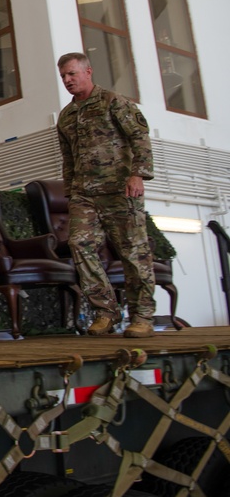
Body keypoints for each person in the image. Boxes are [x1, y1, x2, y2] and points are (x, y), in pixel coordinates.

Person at [56, 52, 156, 338]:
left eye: (72, 74)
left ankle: (142, 316)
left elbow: (139, 137)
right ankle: (105, 312)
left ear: (88, 71)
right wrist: (71, 190)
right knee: (79, 244)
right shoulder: (67, 115)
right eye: (63, 76)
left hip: (120, 189)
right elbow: (67, 157)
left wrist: (138, 173)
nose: (67, 80)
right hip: (84, 194)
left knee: (133, 252)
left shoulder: (114, 101)